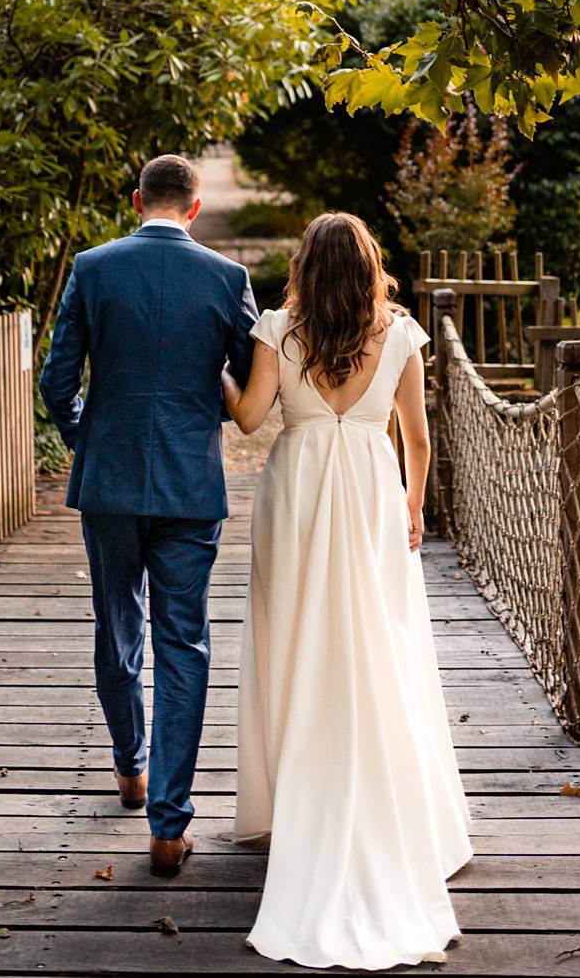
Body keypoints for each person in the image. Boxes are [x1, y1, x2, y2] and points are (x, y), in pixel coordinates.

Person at [222, 212, 473, 969]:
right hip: (369, 493)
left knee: (293, 638)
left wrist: (222, 372)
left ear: (305, 264)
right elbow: (419, 438)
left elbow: (249, 421)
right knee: (377, 642)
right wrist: (414, 504)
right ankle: (386, 801)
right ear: (370, 267)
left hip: (296, 496)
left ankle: (295, 802)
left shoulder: (277, 328)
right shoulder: (399, 335)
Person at [39, 153, 258, 877]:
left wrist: (86, 437)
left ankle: (130, 767)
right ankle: (169, 825)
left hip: (109, 479)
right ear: (194, 208)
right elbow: (251, 381)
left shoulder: (93, 267)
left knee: (117, 623)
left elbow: (55, 379)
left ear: (138, 200)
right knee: (184, 642)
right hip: (191, 485)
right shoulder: (228, 280)